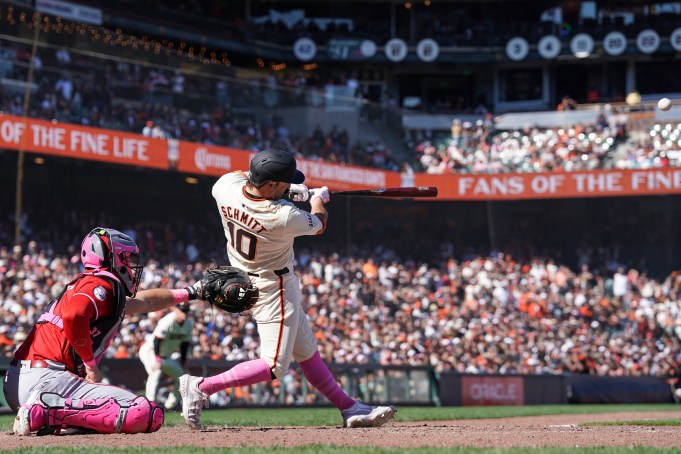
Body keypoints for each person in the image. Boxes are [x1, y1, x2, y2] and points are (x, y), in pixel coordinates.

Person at [179, 149, 397, 429]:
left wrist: (293, 190)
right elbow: (319, 224)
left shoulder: (223, 187)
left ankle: (349, 407)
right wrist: (317, 198)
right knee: (274, 365)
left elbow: (245, 178)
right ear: (270, 185)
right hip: (273, 286)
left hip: (243, 275)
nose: (286, 187)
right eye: (282, 183)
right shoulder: (282, 215)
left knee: (306, 351)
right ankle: (202, 386)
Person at [4, 227, 203, 436]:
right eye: (126, 257)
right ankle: (47, 411)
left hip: (23, 382)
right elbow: (74, 315)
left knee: (104, 415)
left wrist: (193, 292)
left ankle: (51, 411)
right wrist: (90, 365)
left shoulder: (89, 285)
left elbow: (144, 301)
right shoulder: (101, 282)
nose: (130, 265)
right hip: (47, 378)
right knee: (146, 413)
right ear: (111, 257)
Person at [139, 301, 193, 410]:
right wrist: (158, 360)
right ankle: (150, 405)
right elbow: (157, 340)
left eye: (186, 311)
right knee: (156, 373)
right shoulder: (168, 320)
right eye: (182, 310)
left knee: (181, 376)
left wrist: (183, 363)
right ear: (176, 309)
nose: (184, 313)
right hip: (151, 351)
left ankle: (171, 404)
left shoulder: (188, 324)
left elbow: (184, 345)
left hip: (166, 356)